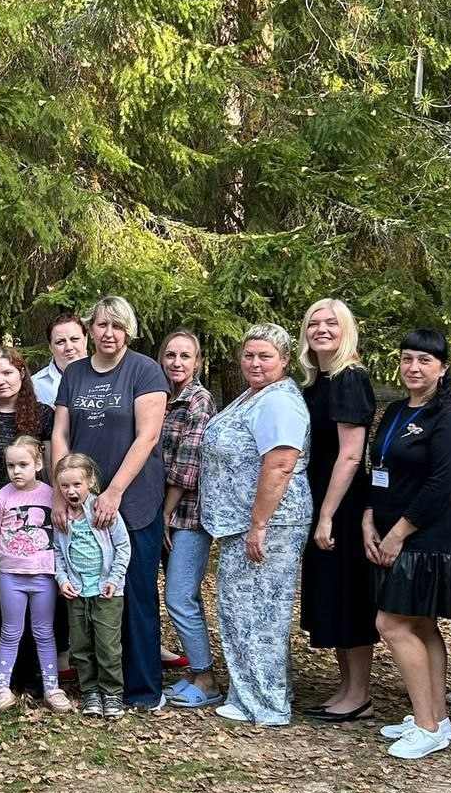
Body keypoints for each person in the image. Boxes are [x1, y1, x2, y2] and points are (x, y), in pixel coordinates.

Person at [51, 296, 169, 710]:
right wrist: (59, 492)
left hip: (133, 499)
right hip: (79, 501)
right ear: (90, 328)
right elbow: (60, 435)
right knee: (89, 594)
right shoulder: (75, 374)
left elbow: (147, 436)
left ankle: (143, 689)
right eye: (102, 325)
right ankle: (99, 686)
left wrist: (114, 491)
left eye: (117, 326)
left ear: (128, 331)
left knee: (134, 593)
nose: (109, 333)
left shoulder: (144, 370)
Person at [365, 329, 451, 759]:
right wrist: (369, 517)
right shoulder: (395, 410)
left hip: (427, 537)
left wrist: (398, 532)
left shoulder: (449, 417)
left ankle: (427, 727)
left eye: (424, 360)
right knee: (422, 624)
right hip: (390, 527)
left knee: (391, 624)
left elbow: (442, 485)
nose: (414, 367)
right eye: (408, 358)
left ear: (443, 368)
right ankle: (437, 719)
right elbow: (379, 467)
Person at [200, 323, 312, 727]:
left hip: (272, 525)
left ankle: (267, 704)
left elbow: (280, 464)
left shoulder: (280, 401)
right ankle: (249, 695)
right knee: (242, 611)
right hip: (242, 523)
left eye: (265, 356)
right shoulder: (254, 395)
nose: (255, 362)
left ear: (285, 360)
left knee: (262, 615)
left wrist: (259, 524)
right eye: (249, 355)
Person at [296, 300, 378, 722]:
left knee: (350, 596)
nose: (322, 329)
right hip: (320, 497)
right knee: (332, 594)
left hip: (342, 505)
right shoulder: (318, 381)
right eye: (314, 323)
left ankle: (360, 694)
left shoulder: (350, 378)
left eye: (332, 322)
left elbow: (350, 455)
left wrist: (327, 514)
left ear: (347, 330)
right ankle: (346, 687)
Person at [0, 346, 55, 689]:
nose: (1, 380)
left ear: (22, 374)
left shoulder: (42, 416)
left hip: (35, 522)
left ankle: (35, 672)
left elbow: (50, 467)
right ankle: (3, 672)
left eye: (7, 373)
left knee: (39, 597)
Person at [156, 329, 222, 709]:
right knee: (175, 595)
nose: (177, 362)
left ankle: (206, 677)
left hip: (187, 515)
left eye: (185, 356)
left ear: (197, 362)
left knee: (181, 596)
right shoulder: (161, 397)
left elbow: (188, 465)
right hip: (161, 509)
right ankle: (195, 674)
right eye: (171, 355)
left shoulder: (199, 400)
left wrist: (165, 512)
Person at [0, 437, 69, 713]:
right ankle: (1, 688)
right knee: (10, 632)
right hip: (11, 577)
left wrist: (52, 563)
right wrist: (6, 556)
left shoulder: (51, 495)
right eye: (11, 466)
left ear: (38, 464)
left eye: (23, 464)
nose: (16, 471)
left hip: (44, 577)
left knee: (44, 632)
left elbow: (62, 532)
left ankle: (52, 687)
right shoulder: (1, 498)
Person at [54, 454, 131, 718]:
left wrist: (114, 579)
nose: (71, 491)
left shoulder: (103, 511)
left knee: (108, 646)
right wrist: (62, 580)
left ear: (90, 482)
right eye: (65, 486)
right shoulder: (62, 517)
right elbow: (57, 552)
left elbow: (123, 546)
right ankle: (90, 692)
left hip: (106, 590)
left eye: (77, 484)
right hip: (76, 591)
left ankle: (112, 693)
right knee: (80, 646)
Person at [31, 313, 88, 407]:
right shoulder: (35, 385)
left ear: (85, 340)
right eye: (60, 342)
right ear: (50, 347)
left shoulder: (108, 376)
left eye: (74, 339)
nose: (69, 347)